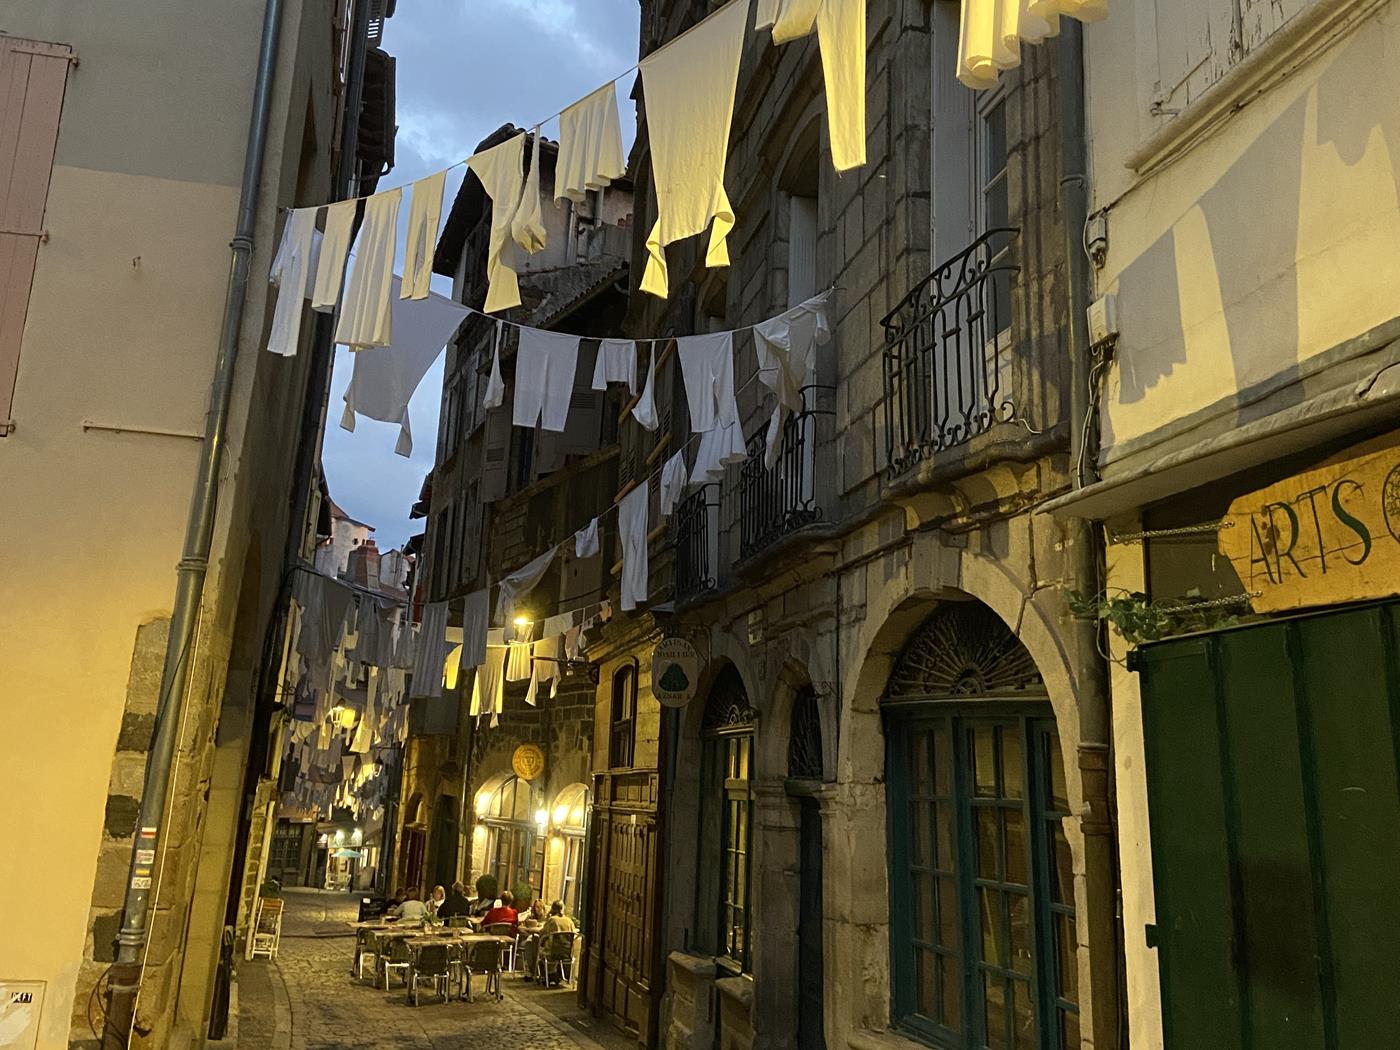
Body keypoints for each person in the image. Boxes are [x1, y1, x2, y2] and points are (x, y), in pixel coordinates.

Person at [521, 901, 576, 979]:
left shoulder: (552, 920)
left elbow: (542, 933)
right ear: (563, 908)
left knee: (531, 943)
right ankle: (549, 973)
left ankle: (532, 972)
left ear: (552, 909)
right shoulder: (569, 921)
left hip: (551, 952)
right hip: (567, 952)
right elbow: (574, 934)